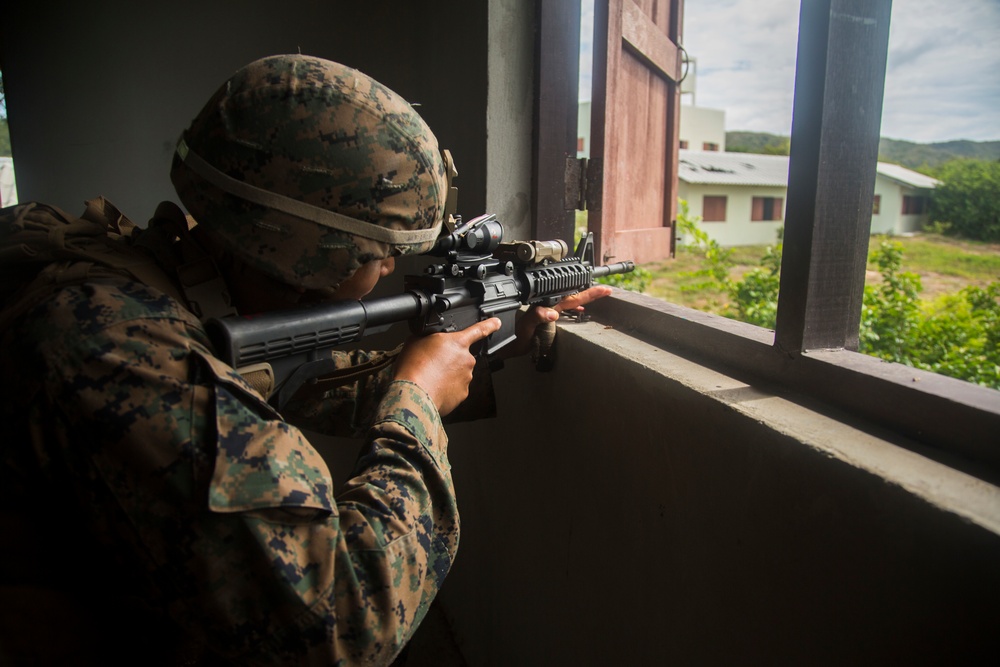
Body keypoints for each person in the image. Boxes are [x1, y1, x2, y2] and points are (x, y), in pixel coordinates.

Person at [0, 54, 609, 665]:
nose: (392, 269)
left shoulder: (155, 279)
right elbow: (344, 623)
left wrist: (478, 344)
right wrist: (416, 406)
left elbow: (298, 381)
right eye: (382, 253)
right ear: (310, 254)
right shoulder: (119, 352)